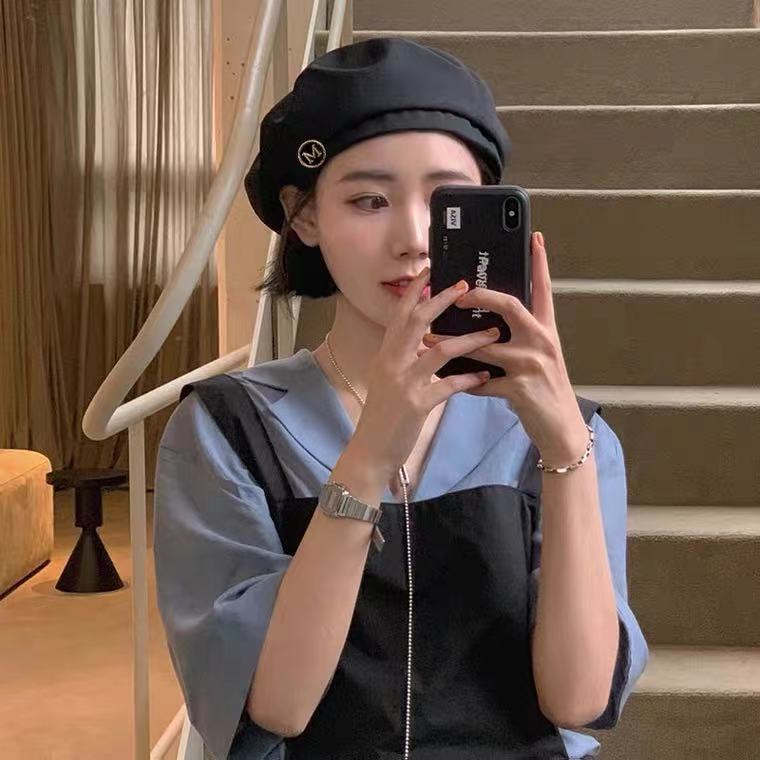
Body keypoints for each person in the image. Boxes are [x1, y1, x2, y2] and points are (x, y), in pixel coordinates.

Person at [153, 37, 649, 760]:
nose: (414, 240)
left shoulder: (568, 437)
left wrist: (565, 448)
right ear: (304, 217)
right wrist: (368, 458)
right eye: (369, 200)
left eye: (448, 203)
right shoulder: (227, 430)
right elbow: (278, 705)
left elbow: (578, 701)